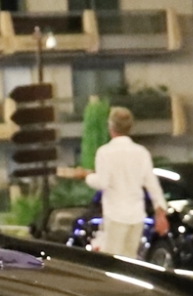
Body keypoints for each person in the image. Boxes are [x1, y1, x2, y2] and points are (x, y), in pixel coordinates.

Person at [58, 105, 169, 259]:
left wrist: (86, 176)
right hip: (136, 216)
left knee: (112, 261)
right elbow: (152, 184)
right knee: (131, 260)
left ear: (111, 126)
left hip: (116, 215)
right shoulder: (141, 153)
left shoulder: (105, 152)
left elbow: (102, 182)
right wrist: (160, 213)